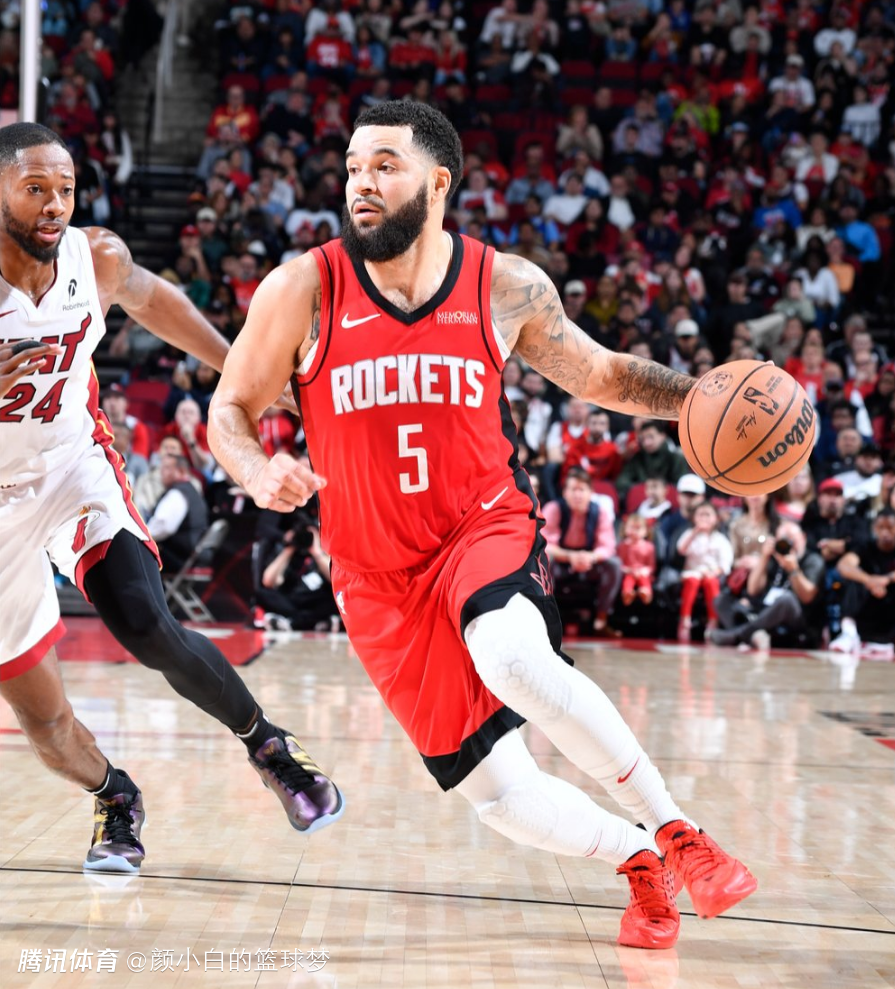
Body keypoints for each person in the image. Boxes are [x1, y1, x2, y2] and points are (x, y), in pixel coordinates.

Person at [208, 101, 756, 951]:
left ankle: (678, 828)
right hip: (374, 577)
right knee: (500, 797)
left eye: (383, 165)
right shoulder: (303, 289)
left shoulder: (503, 285)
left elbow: (600, 374)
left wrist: (699, 401)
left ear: (438, 183)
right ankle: (639, 856)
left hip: (480, 527)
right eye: (352, 168)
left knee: (510, 657)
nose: (360, 184)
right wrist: (253, 468)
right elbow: (229, 411)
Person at [0, 122, 344, 876]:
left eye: (65, 190)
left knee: (145, 621)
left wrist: (240, 373)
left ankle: (270, 746)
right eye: (34, 189)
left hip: (71, 468)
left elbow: (155, 301)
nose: (54, 205)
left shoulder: (95, 257)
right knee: (46, 724)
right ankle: (115, 795)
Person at [708, 521, 824, 650]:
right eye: (782, 539)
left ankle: (737, 636)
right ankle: (754, 636)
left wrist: (793, 570)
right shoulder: (773, 558)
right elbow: (753, 590)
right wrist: (764, 557)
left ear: (803, 537)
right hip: (762, 613)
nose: (787, 543)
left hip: (797, 619)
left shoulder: (813, 560)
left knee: (786, 600)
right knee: (721, 600)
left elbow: (807, 597)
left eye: (791, 538)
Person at [542, 467, 623, 637]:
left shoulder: (600, 511)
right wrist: (569, 556)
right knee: (544, 560)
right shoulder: (554, 508)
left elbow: (608, 546)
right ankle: (546, 620)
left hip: (589, 562)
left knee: (614, 564)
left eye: (582, 490)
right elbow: (545, 544)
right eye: (573, 489)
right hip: (561, 561)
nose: (577, 495)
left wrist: (591, 557)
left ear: (591, 493)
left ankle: (601, 621)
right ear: (565, 492)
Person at [828, 509, 895, 657]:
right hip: (867, 605)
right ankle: (849, 633)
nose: (885, 532)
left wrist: (887, 579)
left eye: (890, 527)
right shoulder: (865, 546)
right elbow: (843, 565)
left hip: (890, 608)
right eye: (881, 527)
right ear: (874, 528)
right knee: (851, 581)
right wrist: (869, 580)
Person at [675, 502, 733, 642]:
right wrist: (694, 532)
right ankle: (685, 620)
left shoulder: (720, 539)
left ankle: (713, 622)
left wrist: (715, 572)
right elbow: (681, 549)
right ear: (694, 518)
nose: (704, 518)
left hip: (712, 574)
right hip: (692, 572)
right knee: (692, 582)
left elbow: (725, 562)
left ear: (716, 518)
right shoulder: (689, 534)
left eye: (707, 514)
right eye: (700, 514)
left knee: (711, 583)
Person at [617, 513, 655, 607]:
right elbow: (619, 564)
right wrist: (628, 570)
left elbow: (651, 565)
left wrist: (644, 571)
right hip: (628, 572)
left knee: (644, 580)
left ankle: (646, 594)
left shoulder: (649, 547)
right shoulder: (622, 546)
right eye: (631, 527)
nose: (634, 531)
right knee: (628, 580)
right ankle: (627, 594)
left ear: (646, 531)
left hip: (642, 573)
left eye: (638, 528)